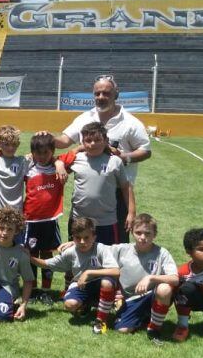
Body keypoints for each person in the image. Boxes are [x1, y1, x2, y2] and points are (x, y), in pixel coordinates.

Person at [53, 76, 151, 243]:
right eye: (97, 93)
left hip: (117, 192)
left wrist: (123, 158)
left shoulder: (130, 122)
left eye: (106, 93)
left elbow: (146, 151)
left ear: (116, 94)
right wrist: (46, 139)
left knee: (115, 245)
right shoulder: (85, 118)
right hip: (86, 197)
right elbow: (64, 141)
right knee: (79, 243)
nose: (101, 97)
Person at [31, 217, 120, 334]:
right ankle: (86, 304)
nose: (82, 242)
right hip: (81, 285)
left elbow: (116, 271)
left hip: (100, 283)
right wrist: (27, 257)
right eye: (78, 238)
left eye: (86, 238)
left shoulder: (101, 249)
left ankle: (101, 319)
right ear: (73, 238)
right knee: (69, 304)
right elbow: (47, 264)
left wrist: (89, 273)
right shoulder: (71, 252)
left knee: (107, 282)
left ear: (94, 237)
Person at [60, 122, 136, 245]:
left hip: (107, 222)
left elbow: (126, 187)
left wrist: (131, 213)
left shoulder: (115, 161)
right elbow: (52, 161)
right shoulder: (75, 159)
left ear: (106, 140)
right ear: (82, 142)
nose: (93, 144)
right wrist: (59, 164)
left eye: (97, 140)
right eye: (88, 140)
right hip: (79, 220)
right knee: (79, 258)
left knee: (107, 259)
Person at [110, 214, 178, 344]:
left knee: (164, 288)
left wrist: (151, 278)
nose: (142, 237)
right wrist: (75, 243)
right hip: (132, 298)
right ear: (132, 232)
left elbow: (175, 279)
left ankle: (154, 329)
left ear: (154, 234)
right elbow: (97, 250)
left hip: (152, 296)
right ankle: (146, 316)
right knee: (122, 330)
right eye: (138, 233)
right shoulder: (122, 249)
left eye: (147, 233)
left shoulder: (162, 253)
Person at [23, 133, 67, 304]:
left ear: (52, 151)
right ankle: (32, 289)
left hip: (50, 220)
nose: (42, 157)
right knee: (30, 254)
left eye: (46, 153)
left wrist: (58, 162)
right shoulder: (27, 167)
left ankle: (46, 291)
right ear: (32, 153)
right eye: (38, 153)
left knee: (48, 254)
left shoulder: (58, 167)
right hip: (30, 220)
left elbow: (76, 151)